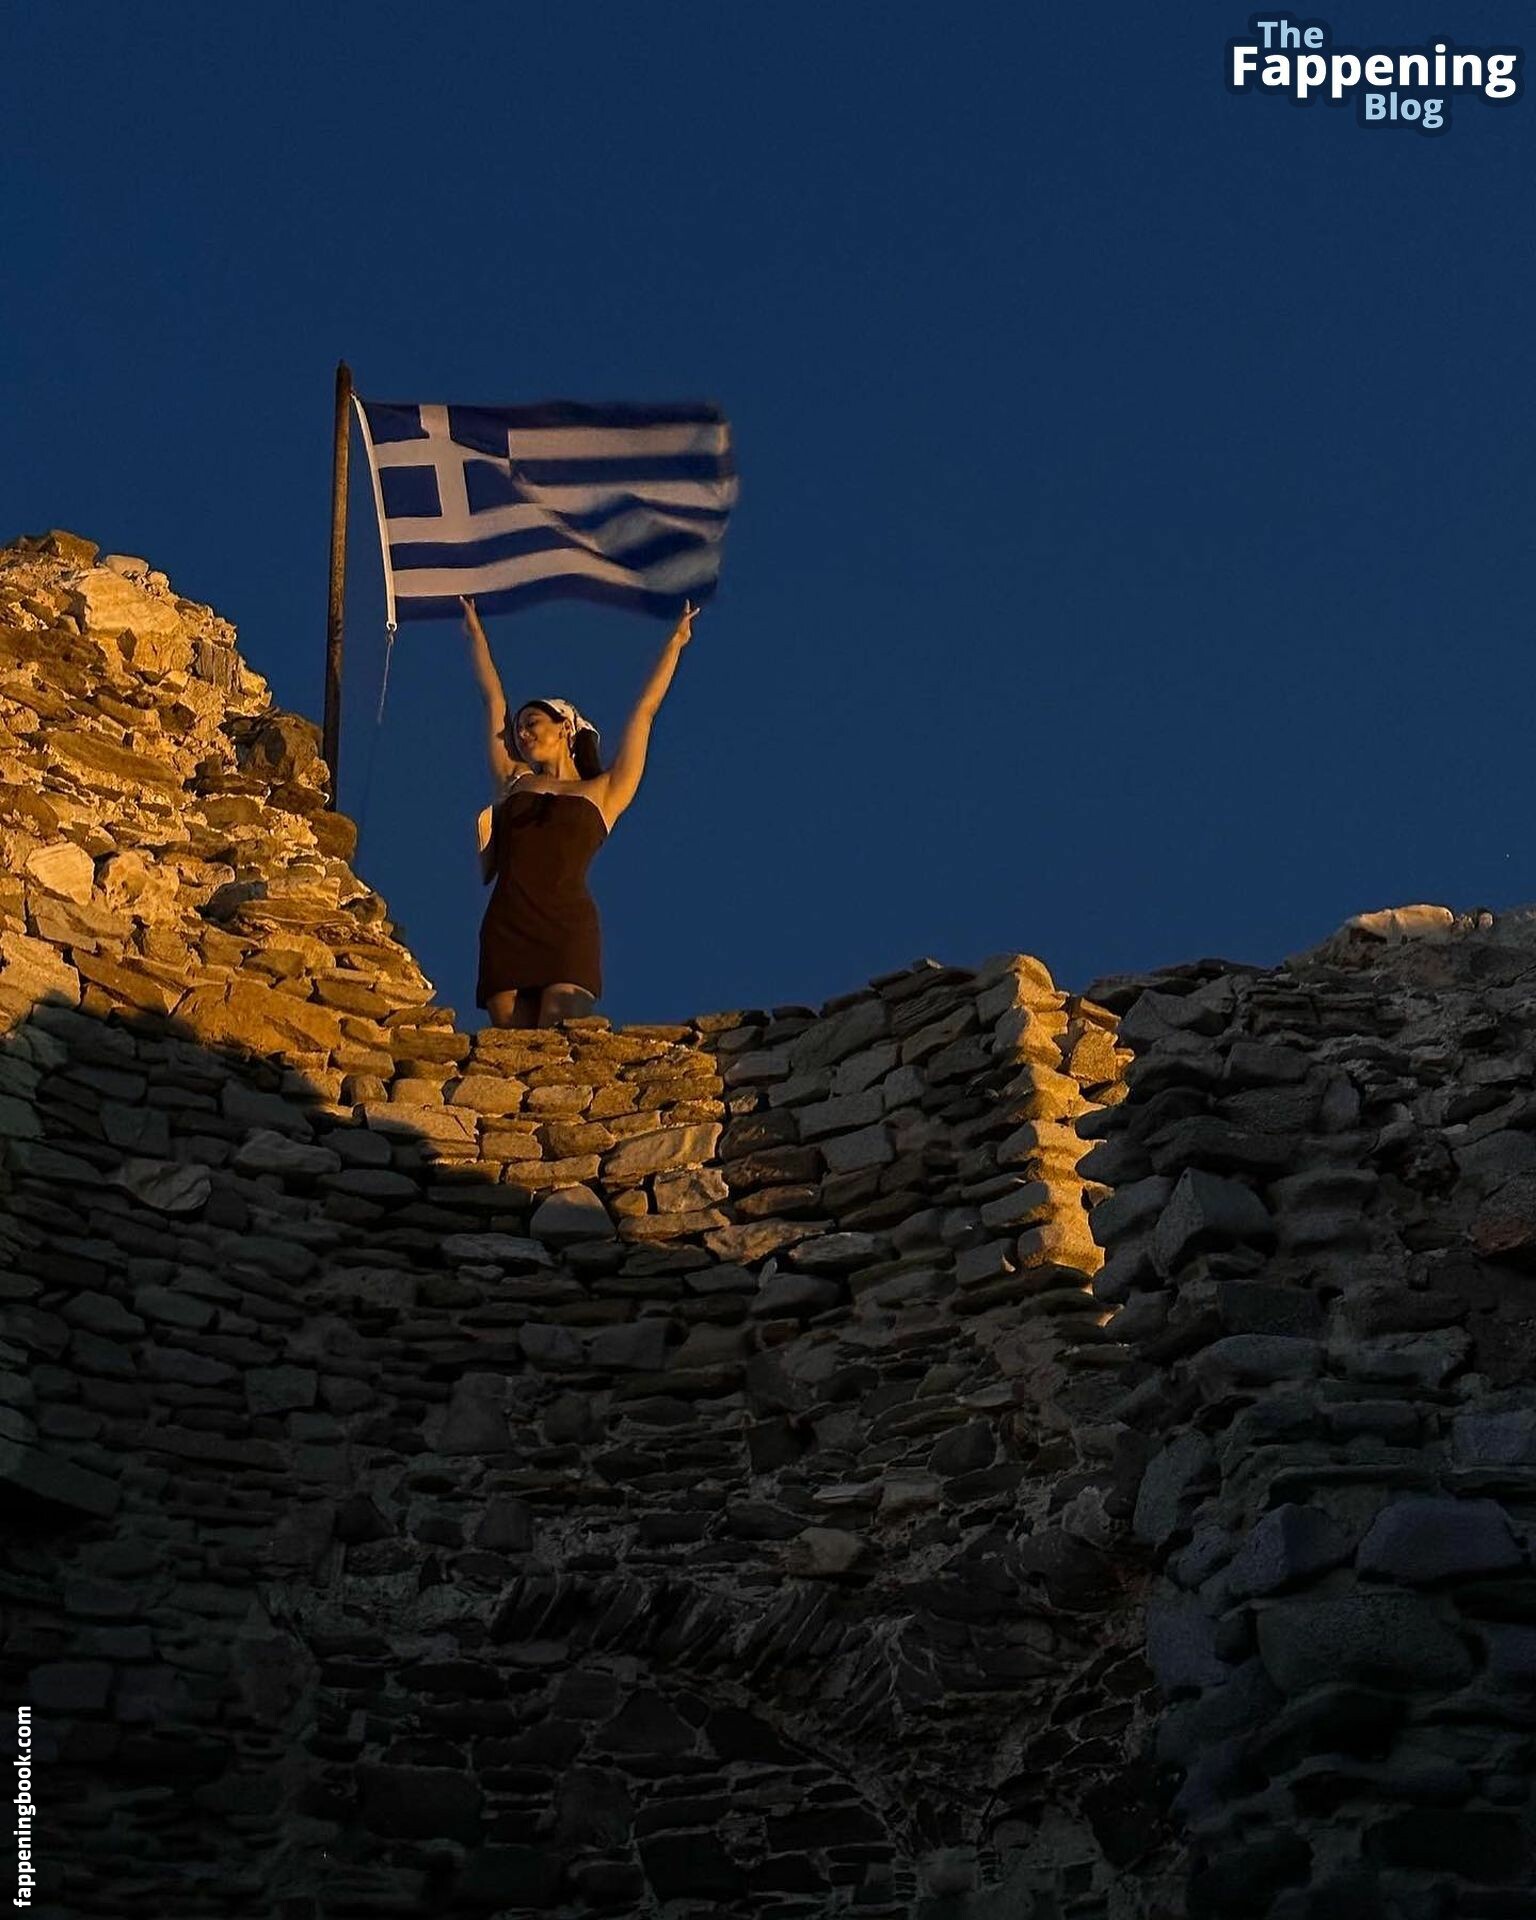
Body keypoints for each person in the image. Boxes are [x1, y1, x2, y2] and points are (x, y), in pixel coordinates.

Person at [461, 594, 698, 1028]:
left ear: (565, 727)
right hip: (507, 923)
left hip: (567, 925)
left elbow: (644, 713)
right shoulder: (515, 781)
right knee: (508, 1050)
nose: (522, 732)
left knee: (557, 1038)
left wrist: (675, 643)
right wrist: (476, 634)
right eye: (519, 727)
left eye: (532, 723)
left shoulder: (605, 790)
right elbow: (493, 700)